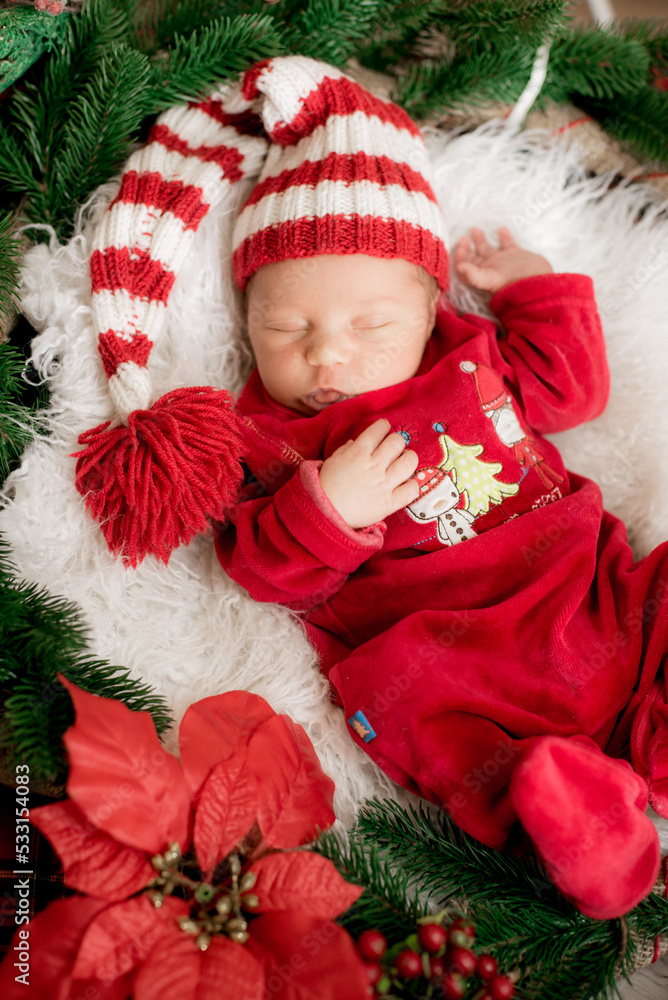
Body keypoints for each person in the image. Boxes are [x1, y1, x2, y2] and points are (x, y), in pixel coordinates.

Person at [207, 56, 668, 922]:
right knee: (449, 736)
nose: (327, 353)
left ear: (428, 309)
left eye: (369, 324)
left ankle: (654, 751)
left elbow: (574, 390)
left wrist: (536, 290)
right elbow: (261, 570)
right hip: (468, 668)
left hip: (590, 596)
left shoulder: (469, 357)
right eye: (285, 327)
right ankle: (585, 822)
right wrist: (328, 512)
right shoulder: (269, 439)